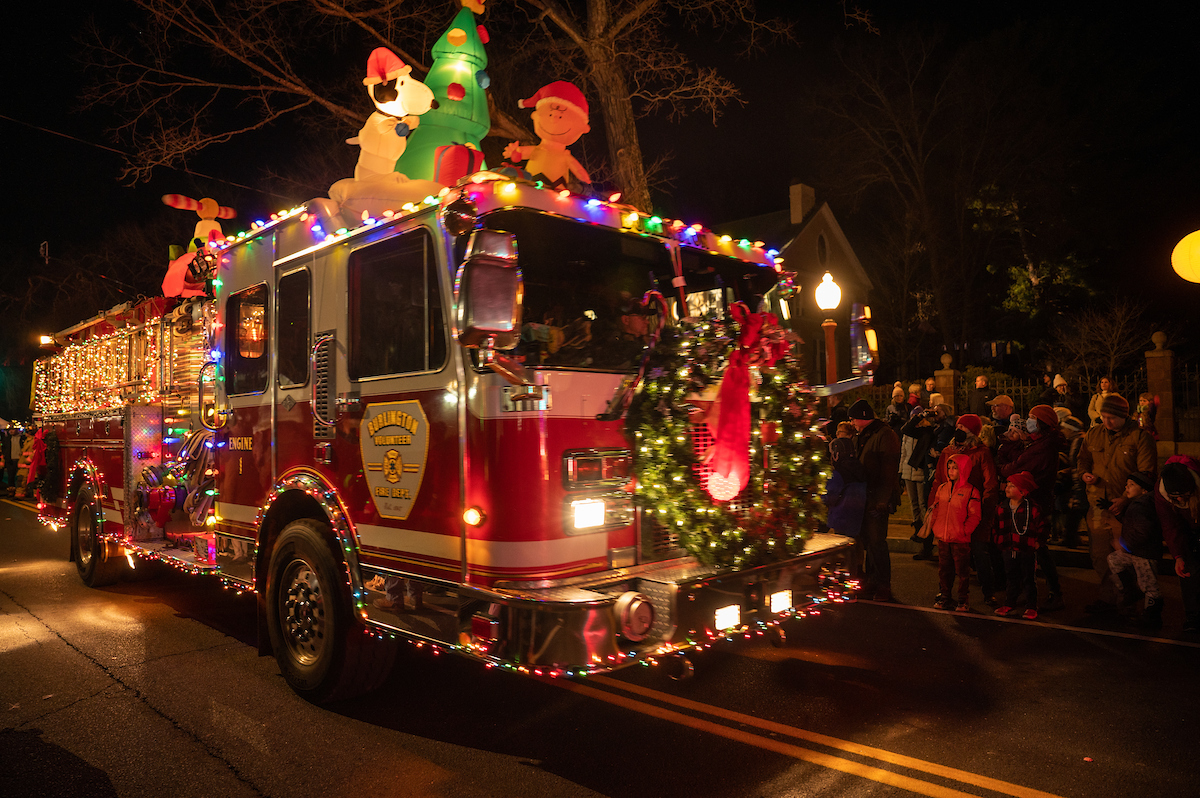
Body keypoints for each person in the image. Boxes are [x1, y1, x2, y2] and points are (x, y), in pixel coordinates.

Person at [1077, 394, 1157, 615]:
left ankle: (1128, 600)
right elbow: (1083, 459)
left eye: (1111, 417)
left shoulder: (1139, 438)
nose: (1106, 421)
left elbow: (1146, 473)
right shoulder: (1093, 434)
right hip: (1098, 506)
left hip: (1127, 511)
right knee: (1100, 555)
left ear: (1123, 416)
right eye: (1103, 416)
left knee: (1126, 558)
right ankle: (1109, 598)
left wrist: (1126, 498)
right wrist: (1084, 474)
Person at [999, 405, 1066, 611]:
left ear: (1042, 423)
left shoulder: (1042, 447)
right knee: (1029, 547)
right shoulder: (1038, 442)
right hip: (1032, 498)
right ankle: (1029, 590)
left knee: (1035, 548)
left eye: (1032, 418)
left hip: (1035, 500)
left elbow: (1017, 467)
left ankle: (1048, 592)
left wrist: (1005, 470)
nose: (1028, 421)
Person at [931, 413, 1001, 607]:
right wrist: (934, 508)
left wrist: (984, 513)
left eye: (964, 428)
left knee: (979, 552)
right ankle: (944, 592)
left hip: (973, 511)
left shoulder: (981, 452)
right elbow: (939, 480)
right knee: (947, 558)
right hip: (951, 514)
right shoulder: (947, 452)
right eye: (958, 427)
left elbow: (990, 484)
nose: (959, 431)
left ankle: (988, 592)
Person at [849, 398, 901, 602]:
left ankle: (883, 584)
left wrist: (882, 500)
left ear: (863, 417)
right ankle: (872, 580)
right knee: (869, 542)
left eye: (853, 418)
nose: (852, 422)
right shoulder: (864, 436)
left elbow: (889, 472)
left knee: (877, 542)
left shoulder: (884, 435)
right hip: (865, 496)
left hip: (877, 498)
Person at [922, 454, 981, 611]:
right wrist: (935, 527)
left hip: (960, 539)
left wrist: (964, 531)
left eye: (955, 468)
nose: (951, 471)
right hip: (943, 537)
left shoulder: (970, 491)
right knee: (944, 569)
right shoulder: (942, 488)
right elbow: (935, 509)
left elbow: (974, 516)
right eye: (949, 468)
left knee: (962, 571)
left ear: (963, 470)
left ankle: (963, 599)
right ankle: (945, 596)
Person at [1107, 472, 1163, 629]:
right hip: (1136, 551)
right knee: (1114, 559)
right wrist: (1119, 515)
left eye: (1131, 485)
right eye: (1127, 484)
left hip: (1145, 553)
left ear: (1144, 490)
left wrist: (1124, 545)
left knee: (1149, 585)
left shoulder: (1142, 506)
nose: (1126, 487)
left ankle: (1152, 617)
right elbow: (1132, 523)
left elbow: (1143, 532)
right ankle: (1131, 590)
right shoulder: (1138, 504)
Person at [1155, 458, 1200, 634]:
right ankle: (1194, 617)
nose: (1180, 499)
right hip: (1186, 530)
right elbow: (1170, 525)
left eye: (1184, 494)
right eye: (1176, 497)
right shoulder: (1161, 494)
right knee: (1189, 571)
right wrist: (1178, 556)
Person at [993, 471, 1044, 620]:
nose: (1007, 487)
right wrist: (998, 540)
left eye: (1012, 485)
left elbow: (1043, 526)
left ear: (1022, 492)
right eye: (1007, 484)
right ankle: (1010, 602)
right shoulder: (1002, 507)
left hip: (1026, 548)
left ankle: (1031, 606)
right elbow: (996, 526)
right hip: (1008, 548)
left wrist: (1038, 542)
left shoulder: (1032, 508)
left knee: (1028, 577)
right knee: (1011, 576)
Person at [824, 437, 868, 585]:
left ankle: (845, 581)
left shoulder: (838, 473)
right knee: (855, 548)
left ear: (836, 454)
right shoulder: (860, 469)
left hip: (841, 516)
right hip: (857, 517)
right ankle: (856, 575)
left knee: (842, 551)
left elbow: (830, 496)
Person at [899, 406, 934, 560]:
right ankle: (917, 531)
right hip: (908, 471)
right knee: (913, 503)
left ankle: (926, 539)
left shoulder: (925, 432)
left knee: (922, 503)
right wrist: (901, 470)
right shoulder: (909, 433)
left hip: (919, 472)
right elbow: (903, 453)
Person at [1055, 415, 1087, 548]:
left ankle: (1069, 538)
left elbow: (1078, 466)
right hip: (1080, 483)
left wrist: (1077, 488)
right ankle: (1071, 537)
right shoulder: (1078, 441)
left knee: (1076, 512)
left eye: (1064, 428)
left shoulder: (1078, 442)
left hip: (1080, 484)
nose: (1062, 431)